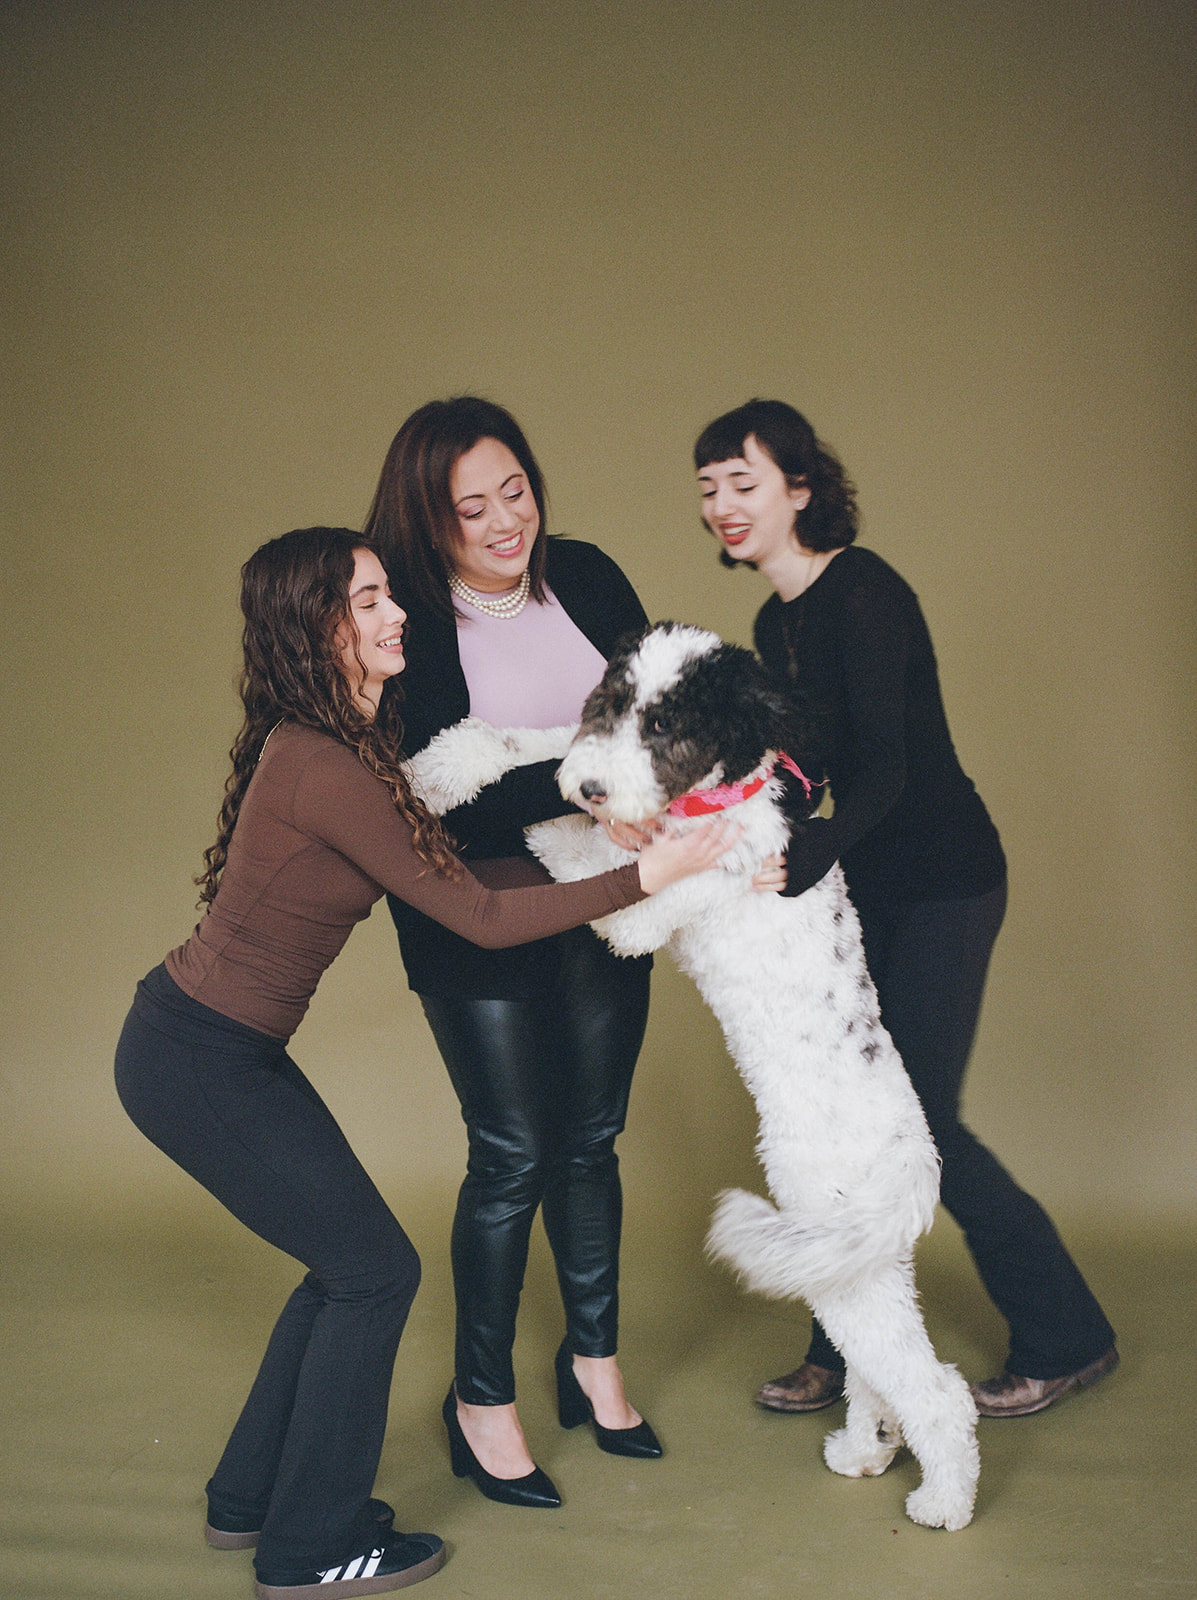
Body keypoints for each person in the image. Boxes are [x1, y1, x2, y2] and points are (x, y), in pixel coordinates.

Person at [114, 527, 734, 1598]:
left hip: (214, 1051)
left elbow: (479, 825)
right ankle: (310, 1547)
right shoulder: (324, 762)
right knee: (374, 1272)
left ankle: (247, 1497)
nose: (394, 611)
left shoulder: (342, 744)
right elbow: (482, 916)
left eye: (385, 592)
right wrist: (649, 876)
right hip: (198, 1060)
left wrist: (608, 816)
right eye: (366, 602)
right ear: (317, 627)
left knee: (343, 1265)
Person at [694, 399, 1118, 1420]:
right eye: (707, 490)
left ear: (800, 487)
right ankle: (839, 1351)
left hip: (944, 881)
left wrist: (806, 854)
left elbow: (885, 763)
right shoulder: (774, 619)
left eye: (742, 484)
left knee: (916, 1123)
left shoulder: (865, 594)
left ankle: (1069, 1334)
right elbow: (806, 766)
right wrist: (722, 824)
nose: (721, 506)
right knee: (841, 1118)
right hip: (868, 887)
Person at [365, 396, 697, 1506]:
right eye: (473, 507)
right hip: (476, 912)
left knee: (592, 1135)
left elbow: (657, 720)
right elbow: (433, 804)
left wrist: (537, 764)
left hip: (608, 894)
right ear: (428, 522)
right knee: (512, 1149)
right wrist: (585, 773)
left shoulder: (591, 577)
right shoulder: (402, 619)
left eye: (516, 489)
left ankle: (592, 1361)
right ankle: (480, 1397)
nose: (507, 520)